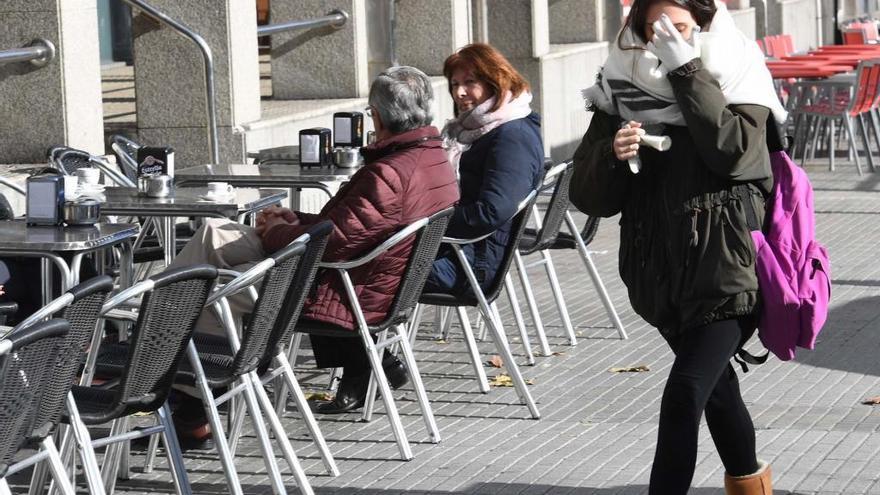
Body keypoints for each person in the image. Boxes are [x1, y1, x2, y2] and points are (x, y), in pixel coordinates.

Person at [569, 1, 785, 494]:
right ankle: (752, 486)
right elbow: (589, 198)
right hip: (658, 274)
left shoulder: (735, 69)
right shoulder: (620, 83)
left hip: (729, 266)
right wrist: (612, 156)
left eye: (679, 26)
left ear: (705, 23)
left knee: (686, 393)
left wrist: (687, 70)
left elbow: (735, 155)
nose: (663, 37)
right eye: (653, 29)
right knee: (716, 392)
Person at [167, 66, 459, 431]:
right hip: (365, 278)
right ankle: (157, 325)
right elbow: (350, 228)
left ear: (380, 115)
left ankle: (189, 401)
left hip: (338, 287)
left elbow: (333, 244)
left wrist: (278, 232)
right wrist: (293, 219)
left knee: (210, 293)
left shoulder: (389, 173)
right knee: (212, 233)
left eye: (371, 112)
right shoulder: (432, 159)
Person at [422, 43, 544, 295]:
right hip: (458, 251)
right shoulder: (472, 130)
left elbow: (490, 211)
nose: (461, 92)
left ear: (495, 82)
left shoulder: (512, 136)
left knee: (366, 269)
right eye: (455, 84)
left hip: (471, 263)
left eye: (470, 82)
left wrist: (427, 224)